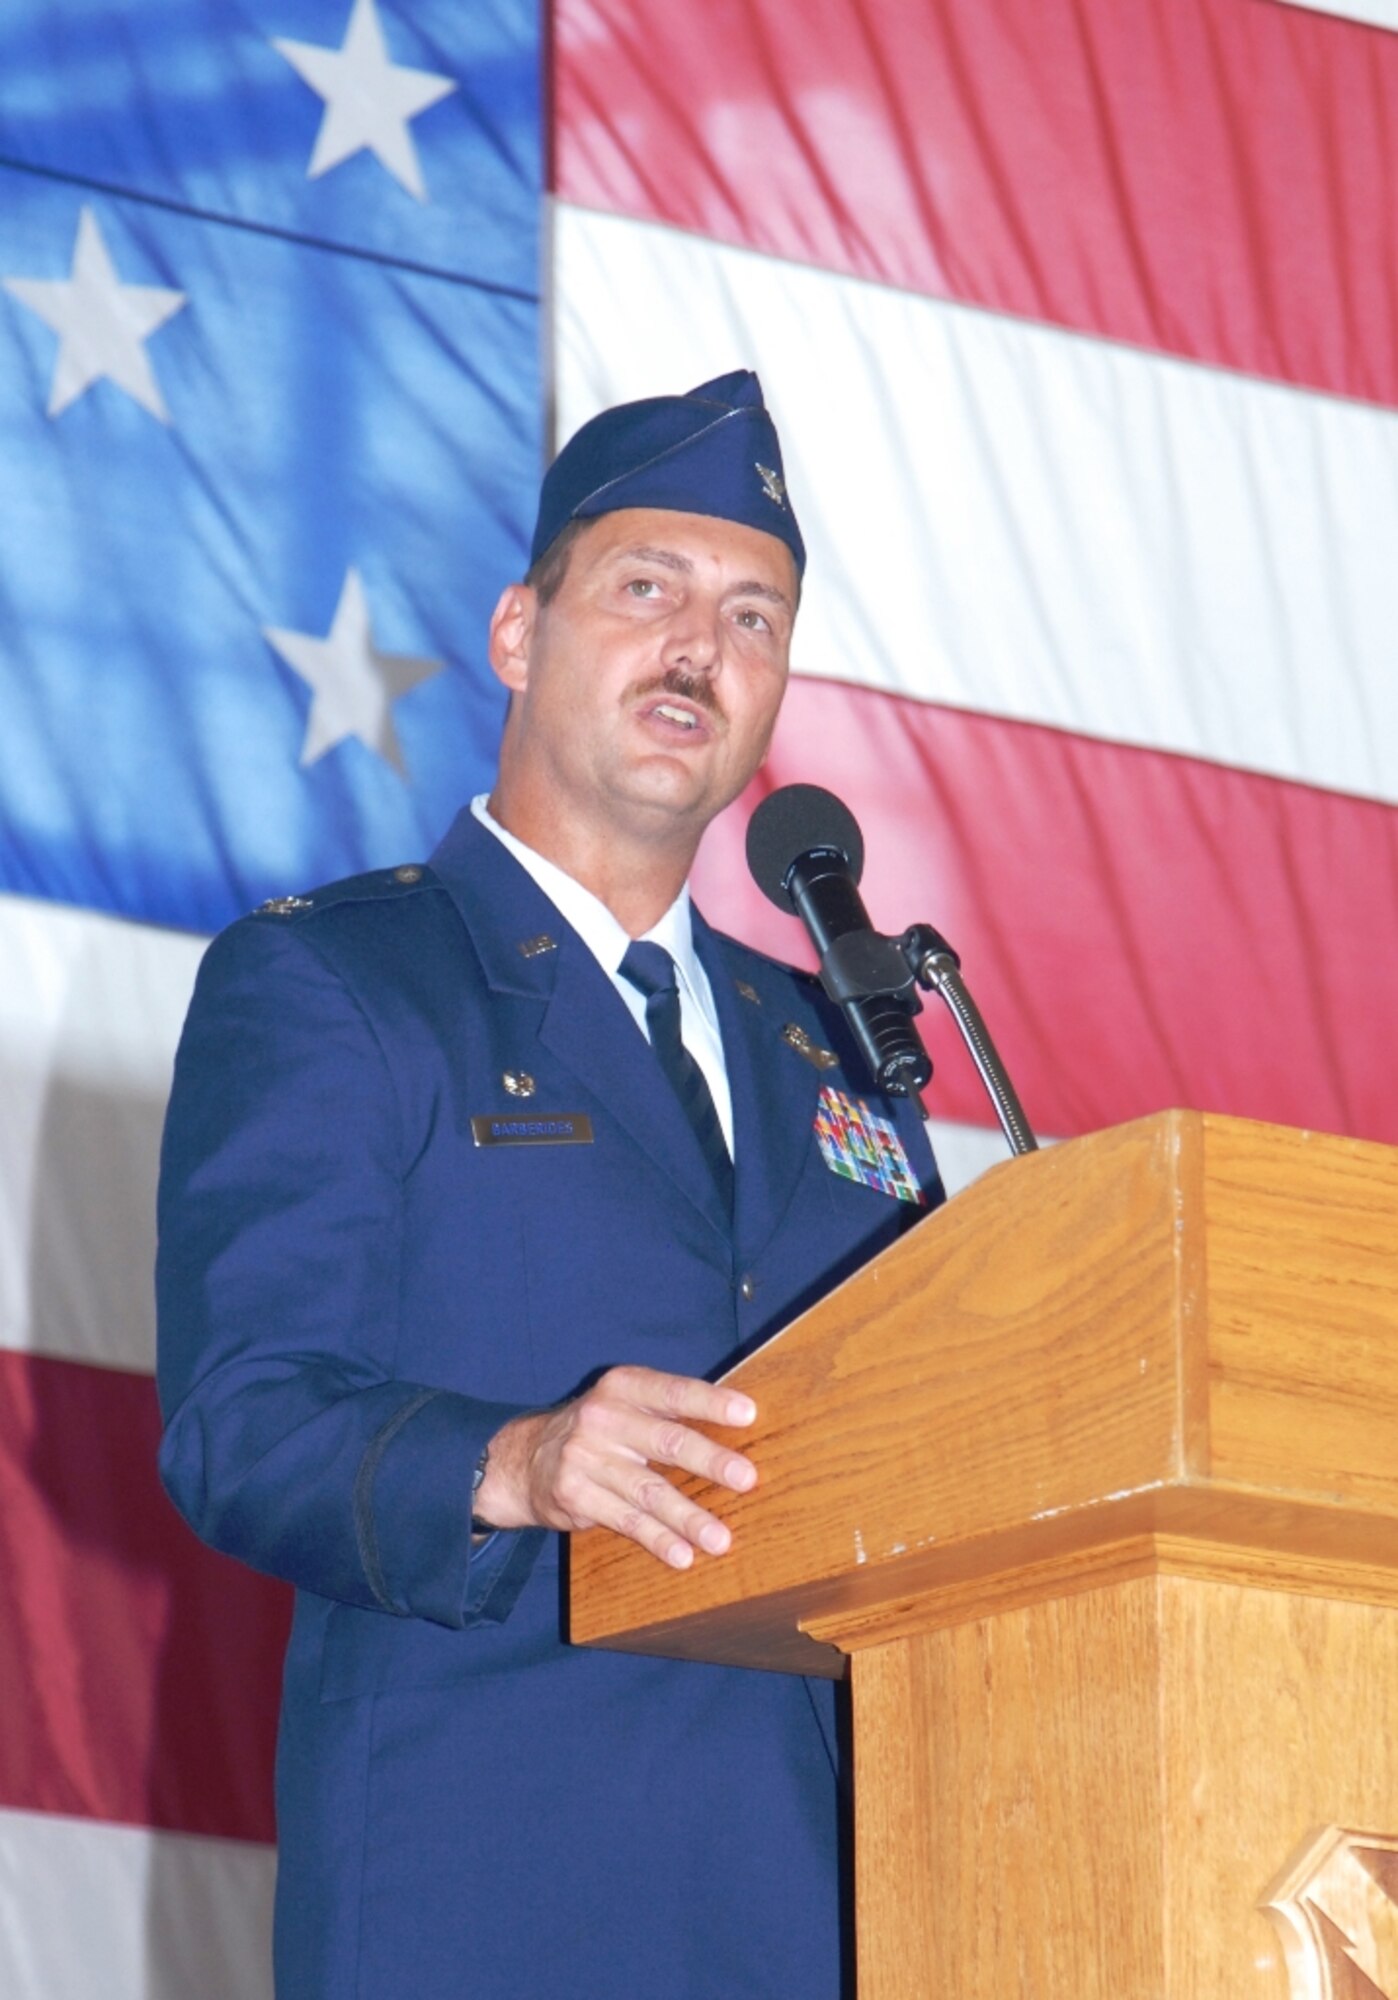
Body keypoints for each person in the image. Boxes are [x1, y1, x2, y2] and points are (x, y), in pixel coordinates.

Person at [156, 370, 943, 1999]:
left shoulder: (837, 1050)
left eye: (750, 616)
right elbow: (240, 1421)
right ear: (518, 633)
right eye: (645, 588)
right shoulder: (340, 982)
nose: (695, 650)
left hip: (827, 1908)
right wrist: (513, 1460)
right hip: (486, 1890)